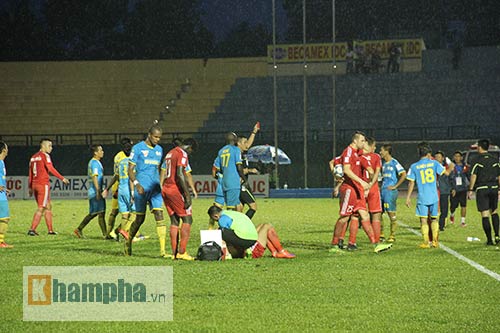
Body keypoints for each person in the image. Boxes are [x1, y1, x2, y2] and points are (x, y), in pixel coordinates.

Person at [329, 131, 392, 253]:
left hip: (357, 190)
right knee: (344, 217)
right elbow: (346, 170)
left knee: (364, 215)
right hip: (349, 189)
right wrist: (337, 175)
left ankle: (376, 244)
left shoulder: (357, 152)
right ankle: (334, 244)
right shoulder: (348, 152)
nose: (364, 143)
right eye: (362, 141)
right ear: (355, 141)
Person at [124, 123, 166, 257]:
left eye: (159, 138)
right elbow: (129, 169)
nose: (157, 140)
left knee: (159, 215)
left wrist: (160, 183)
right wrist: (136, 184)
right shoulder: (137, 148)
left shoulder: (159, 150)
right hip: (141, 189)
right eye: (155, 137)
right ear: (149, 135)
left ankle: (163, 252)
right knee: (139, 219)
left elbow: (158, 169)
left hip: (155, 189)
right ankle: (128, 241)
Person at [405, 142, 453, 248]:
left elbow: (411, 182)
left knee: (423, 220)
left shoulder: (414, 166)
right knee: (434, 219)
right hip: (434, 196)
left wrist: (408, 197)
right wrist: (451, 165)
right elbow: (447, 173)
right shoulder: (434, 163)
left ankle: (426, 242)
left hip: (422, 197)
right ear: (428, 154)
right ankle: (435, 241)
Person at [207, 205, 295, 259]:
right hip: (248, 241)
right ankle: (277, 252)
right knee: (265, 226)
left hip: (252, 248)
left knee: (265, 226)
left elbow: (225, 233)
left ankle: (280, 251)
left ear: (215, 216)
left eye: (214, 219)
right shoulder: (230, 213)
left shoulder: (222, 219)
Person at [160, 138, 198, 260]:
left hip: (166, 188)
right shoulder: (182, 154)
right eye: (192, 151)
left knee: (174, 221)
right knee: (187, 219)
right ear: (190, 147)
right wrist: (187, 195)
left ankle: (174, 253)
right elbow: (180, 174)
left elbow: (165, 171)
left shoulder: (170, 153)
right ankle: (182, 252)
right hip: (175, 189)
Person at [27, 138, 69, 236]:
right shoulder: (45, 156)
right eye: (49, 146)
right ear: (43, 146)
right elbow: (50, 168)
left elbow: (30, 173)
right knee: (41, 208)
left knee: (48, 206)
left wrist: (30, 187)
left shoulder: (33, 157)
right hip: (43, 185)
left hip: (35, 185)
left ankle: (50, 230)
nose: (51, 148)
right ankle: (32, 229)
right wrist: (62, 178)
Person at [467, 139, 500, 245]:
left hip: (482, 188)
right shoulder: (495, 160)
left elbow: (473, 175)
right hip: (494, 187)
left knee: (485, 214)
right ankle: (497, 236)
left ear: (479, 147)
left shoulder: (476, 160)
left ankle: (489, 240)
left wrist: (470, 189)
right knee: (494, 212)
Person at [102, 138, 134, 241]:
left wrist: (107, 188)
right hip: (123, 186)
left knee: (121, 212)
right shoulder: (123, 158)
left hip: (120, 186)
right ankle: (113, 232)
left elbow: (116, 174)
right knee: (119, 212)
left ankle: (118, 232)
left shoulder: (121, 158)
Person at [74, 144, 107, 238]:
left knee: (101, 212)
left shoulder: (95, 162)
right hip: (95, 192)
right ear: (95, 152)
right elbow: (95, 177)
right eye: (100, 150)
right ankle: (79, 229)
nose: (102, 152)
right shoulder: (94, 163)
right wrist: (97, 191)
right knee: (94, 213)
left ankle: (105, 234)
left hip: (96, 191)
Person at [379, 144, 407, 242]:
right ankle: (381, 234)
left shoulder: (394, 162)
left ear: (387, 151)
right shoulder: (383, 164)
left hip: (390, 192)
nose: (380, 152)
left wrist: (395, 186)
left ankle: (392, 235)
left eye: (381, 150)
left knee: (391, 213)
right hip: (382, 190)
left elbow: (404, 174)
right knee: (379, 213)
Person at [213, 132, 245, 211]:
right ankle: (228, 223)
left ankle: (239, 222)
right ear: (236, 140)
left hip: (224, 182)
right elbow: (239, 166)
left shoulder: (221, 151)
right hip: (233, 182)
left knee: (238, 205)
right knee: (231, 208)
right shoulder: (236, 149)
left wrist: (218, 176)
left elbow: (215, 169)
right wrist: (244, 178)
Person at [361, 137, 383, 243]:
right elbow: (376, 173)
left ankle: (351, 242)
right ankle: (376, 241)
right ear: (370, 145)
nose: (375, 148)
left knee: (356, 216)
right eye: (374, 146)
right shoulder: (376, 157)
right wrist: (370, 185)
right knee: (376, 215)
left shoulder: (356, 155)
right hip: (373, 188)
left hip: (360, 188)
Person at [237, 122, 260, 219]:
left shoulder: (241, 152)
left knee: (239, 209)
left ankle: (235, 228)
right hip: (241, 184)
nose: (247, 144)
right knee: (253, 207)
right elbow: (239, 170)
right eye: (244, 142)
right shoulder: (237, 154)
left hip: (238, 185)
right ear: (238, 143)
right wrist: (251, 170)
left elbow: (248, 145)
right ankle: (245, 225)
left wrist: (254, 132)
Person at [449, 151, 469, 227]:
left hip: (463, 189)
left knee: (463, 205)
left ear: (461, 157)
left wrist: (470, 188)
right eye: (455, 156)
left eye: (458, 156)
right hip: (454, 189)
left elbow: (469, 177)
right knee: (453, 206)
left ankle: (463, 222)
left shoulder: (465, 167)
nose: (457, 158)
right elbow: (449, 178)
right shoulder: (451, 166)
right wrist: (452, 188)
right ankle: (452, 215)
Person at [434, 151, 452, 231]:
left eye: (439, 157)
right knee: (433, 210)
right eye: (436, 157)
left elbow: (450, 176)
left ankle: (441, 225)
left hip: (444, 191)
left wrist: (452, 188)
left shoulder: (445, 167)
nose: (437, 158)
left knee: (444, 210)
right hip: (434, 191)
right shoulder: (432, 167)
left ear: (443, 158)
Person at [0, 141, 13, 248]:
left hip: (2, 193)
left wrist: (4, 188)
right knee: (4, 218)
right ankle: (0, 242)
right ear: (4, 150)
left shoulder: (2, 162)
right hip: (0, 197)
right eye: (7, 148)